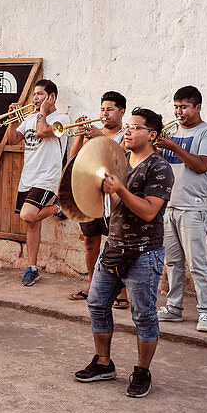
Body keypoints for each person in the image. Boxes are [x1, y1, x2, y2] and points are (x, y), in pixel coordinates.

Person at [75, 108, 173, 398]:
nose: (128, 131)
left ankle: (142, 372)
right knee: (96, 304)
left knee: (143, 315)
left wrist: (119, 189)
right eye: (127, 126)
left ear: (152, 135)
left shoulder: (159, 167)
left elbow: (148, 211)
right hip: (114, 246)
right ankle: (103, 362)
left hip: (144, 251)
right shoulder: (119, 159)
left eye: (136, 127)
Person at [155, 86, 207, 333]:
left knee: (198, 264)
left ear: (198, 107)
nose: (178, 112)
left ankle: (206, 312)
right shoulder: (170, 134)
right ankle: (174, 308)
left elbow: (202, 166)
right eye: (176, 106)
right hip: (169, 205)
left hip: (193, 207)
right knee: (173, 262)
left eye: (183, 106)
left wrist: (173, 147)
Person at [67, 91, 129, 306]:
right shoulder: (94, 134)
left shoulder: (126, 135)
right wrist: (81, 136)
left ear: (121, 112)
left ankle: (121, 291)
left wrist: (98, 137)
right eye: (102, 109)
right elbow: (75, 158)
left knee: (116, 243)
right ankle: (93, 283)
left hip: (114, 198)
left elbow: (119, 158)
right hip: (90, 194)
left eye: (109, 109)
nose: (104, 113)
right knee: (90, 241)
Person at [4, 79, 67, 287]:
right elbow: (13, 140)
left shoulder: (61, 119)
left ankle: (58, 207)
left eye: (39, 94)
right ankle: (32, 268)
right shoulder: (30, 118)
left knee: (27, 215)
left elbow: (42, 131)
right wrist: (13, 120)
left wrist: (43, 112)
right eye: (34, 95)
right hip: (28, 177)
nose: (35, 98)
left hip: (47, 178)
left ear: (52, 97)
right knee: (32, 223)